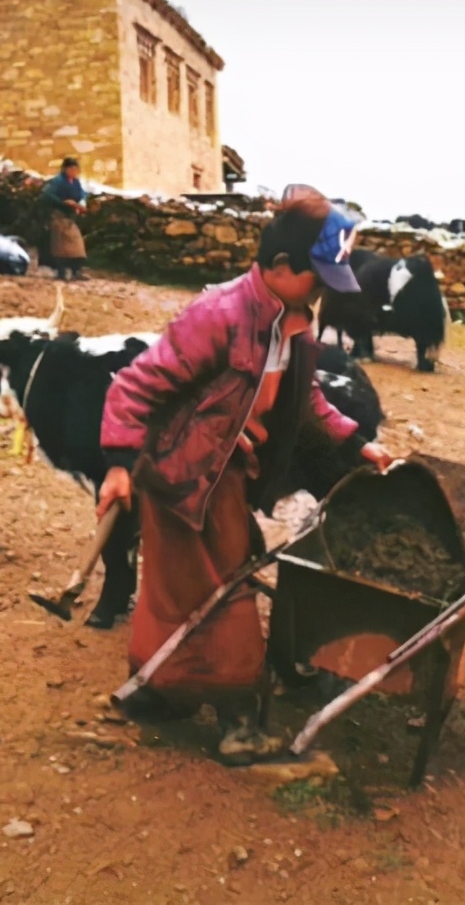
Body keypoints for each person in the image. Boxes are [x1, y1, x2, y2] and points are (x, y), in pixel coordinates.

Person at [96, 185, 394, 764]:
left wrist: (356, 443)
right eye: (316, 280)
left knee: (184, 590)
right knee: (220, 590)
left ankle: (161, 691)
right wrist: (115, 464)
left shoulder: (293, 322)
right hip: (181, 476)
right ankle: (238, 724)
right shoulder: (219, 315)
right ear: (281, 267)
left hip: (224, 472)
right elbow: (134, 385)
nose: (322, 297)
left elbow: (307, 401)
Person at [39, 158, 88, 282]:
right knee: (60, 246)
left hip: (70, 217)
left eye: (76, 169)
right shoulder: (58, 181)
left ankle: (76, 271)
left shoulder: (76, 182)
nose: (74, 171)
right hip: (58, 215)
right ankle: (61, 271)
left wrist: (82, 202)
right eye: (72, 169)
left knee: (77, 244)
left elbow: (82, 194)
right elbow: (47, 195)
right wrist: (63, 202)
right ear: (66, 169)